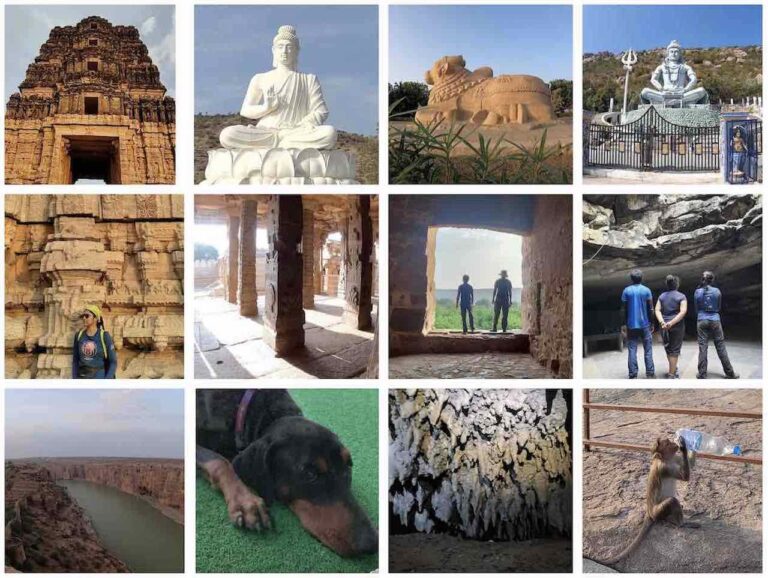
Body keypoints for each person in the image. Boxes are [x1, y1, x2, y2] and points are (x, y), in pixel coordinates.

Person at [694, 271, 738, 379]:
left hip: (701, 319)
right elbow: (718, 307)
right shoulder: (717, 291)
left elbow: (696, 309)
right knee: (720, 346)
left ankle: (702, 374)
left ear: (702, 279)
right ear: (712, 280)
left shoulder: (697, 292)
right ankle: (730, 373)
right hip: (715, 319)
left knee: (703, 346)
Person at [621, 269, 655, 379]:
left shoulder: (626, 291)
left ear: (631, 279)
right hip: (645, 324)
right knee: (648, 349)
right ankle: (650, 373)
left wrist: (625, 324)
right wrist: (652, 323)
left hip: (631, 325)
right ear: (642, 278)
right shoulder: (646, 290)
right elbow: (651, 309)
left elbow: (624, 310)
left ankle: (633, 374)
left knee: (632, 349)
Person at [655, 275, 687, 379]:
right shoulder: (681, 296)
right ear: (677, 285)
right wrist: (672, 323)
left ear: (667, 285)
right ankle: (671, 374)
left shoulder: (662, 296)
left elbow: (657, 310)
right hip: (677, 326)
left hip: (664, 326)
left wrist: (662, 322)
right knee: (675, 350)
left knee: (668, 348)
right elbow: (683, 312)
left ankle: (673, 369)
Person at [72, 304, 117, 379]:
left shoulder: (104, 336)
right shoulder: (79, 335)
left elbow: (113, 362)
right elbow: (75, 361)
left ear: (95, 318)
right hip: (82, 378)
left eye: (87, 316)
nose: (84, 318)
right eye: (83, 316)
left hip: (99, 377)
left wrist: (107, 381)